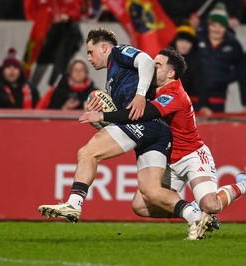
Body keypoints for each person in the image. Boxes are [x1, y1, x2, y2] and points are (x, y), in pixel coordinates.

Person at [80, 47, 246, 240]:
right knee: (140, 206)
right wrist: (98, 107)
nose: (151, 68)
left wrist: (103, 115)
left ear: (170, 73)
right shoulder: (147, 88)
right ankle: (192, 211)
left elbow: (141, 114)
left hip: (192, 156)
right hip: (167, 159)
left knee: (211, 205)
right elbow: (122, 100)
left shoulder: (174, 94)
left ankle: (245, 184)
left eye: (157, 65)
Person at [38, 28, 207, 240]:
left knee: (87, 153)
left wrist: (137, 96)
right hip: (158, 130)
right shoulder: (114, 76)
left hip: (143, 122)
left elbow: (145, 60)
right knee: (151, 192)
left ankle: (74, 203)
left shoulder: (118, 52)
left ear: (104, 47)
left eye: (91, 52)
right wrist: (104, 117)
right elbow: (122, 114)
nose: (89, 58)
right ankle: (196, 215)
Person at [196, 3, 244, 114]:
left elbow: (242, 66)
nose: (216, 29)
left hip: (218, 96)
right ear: (208, 26)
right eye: (213, 25)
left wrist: (226, 78)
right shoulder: (197, 39)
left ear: (226, 27)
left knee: (216, 128)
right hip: (194, 96)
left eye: (221, 26)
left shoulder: (233, 43)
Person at [169, 23, 207, 113]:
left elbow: (200, 83)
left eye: (187, 42)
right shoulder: (165, 59)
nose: (184, 45)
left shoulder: (196, 61)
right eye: (181, 41)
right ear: (175, 42)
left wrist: (204, 105)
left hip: (186, 104)